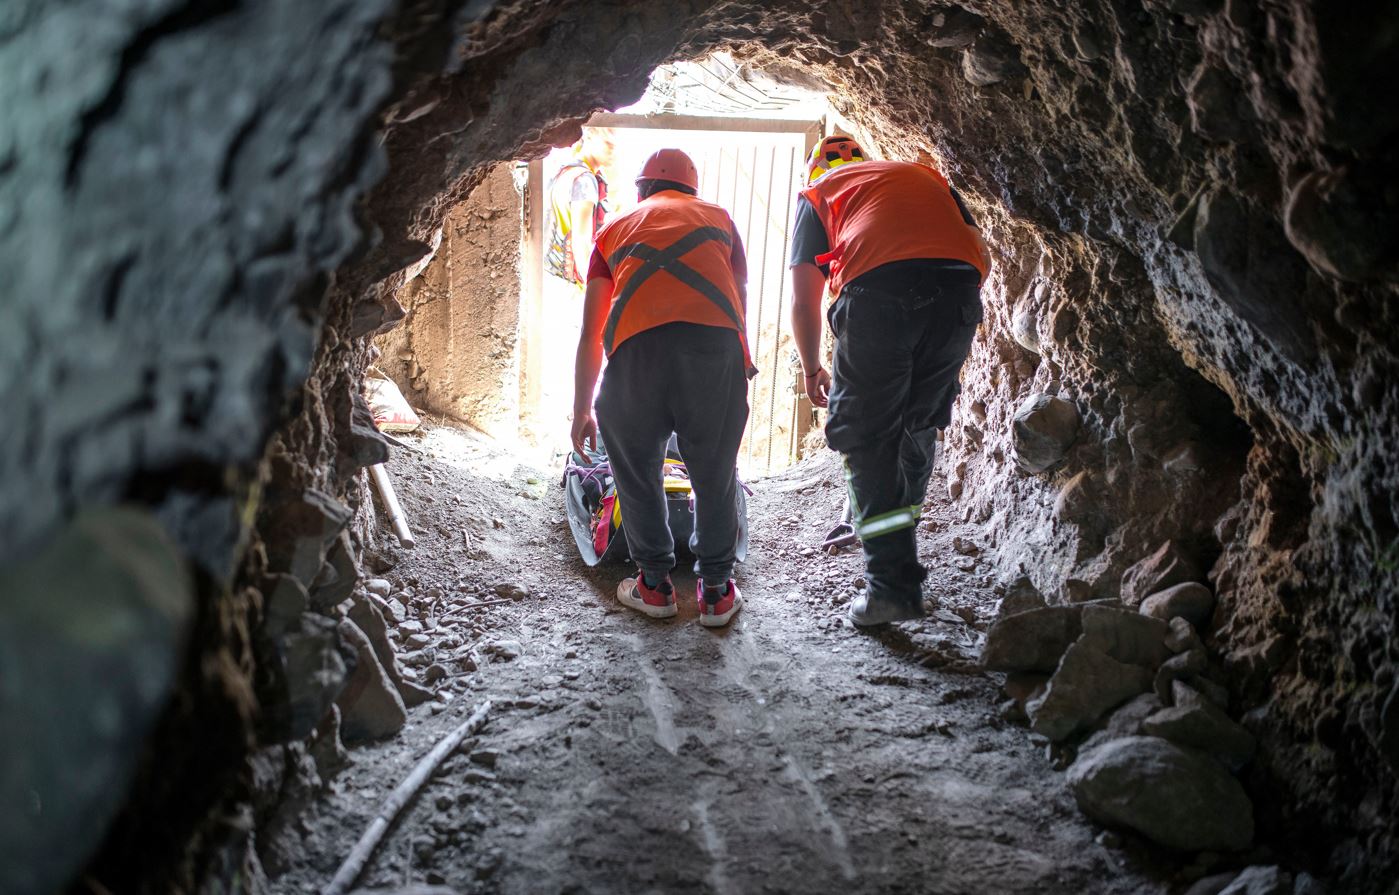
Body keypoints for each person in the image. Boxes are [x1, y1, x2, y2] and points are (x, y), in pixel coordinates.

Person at [788, 135, 992, 626]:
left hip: (881, 295)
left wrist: (812, 367)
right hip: (960, 293)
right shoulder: (922, 177)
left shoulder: (820, 193)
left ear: (814, 171)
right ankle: (897, 535)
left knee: (867, 436)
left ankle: (890, 585)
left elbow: (803, 297)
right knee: (916, 423)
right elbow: (976, 248)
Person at [571, 148, 754, 627]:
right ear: (692, 189)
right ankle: (715, 591)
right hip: (714, 351)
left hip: (637, 353)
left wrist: (582, 410)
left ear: (641, 189)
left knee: (635, 468)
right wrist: (739, 368)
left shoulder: (612, 230)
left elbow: (592, 332)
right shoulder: (720, 220)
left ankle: (653, 585)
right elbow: (739, 301)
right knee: (715, 469)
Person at [546, 128, 614, 287]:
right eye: (608, 144)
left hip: (552, 275)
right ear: (590, 135)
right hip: (573, 283)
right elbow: (581, 243)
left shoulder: (566, 170)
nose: (613, 150)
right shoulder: (585, 181)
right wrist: (592, 288)